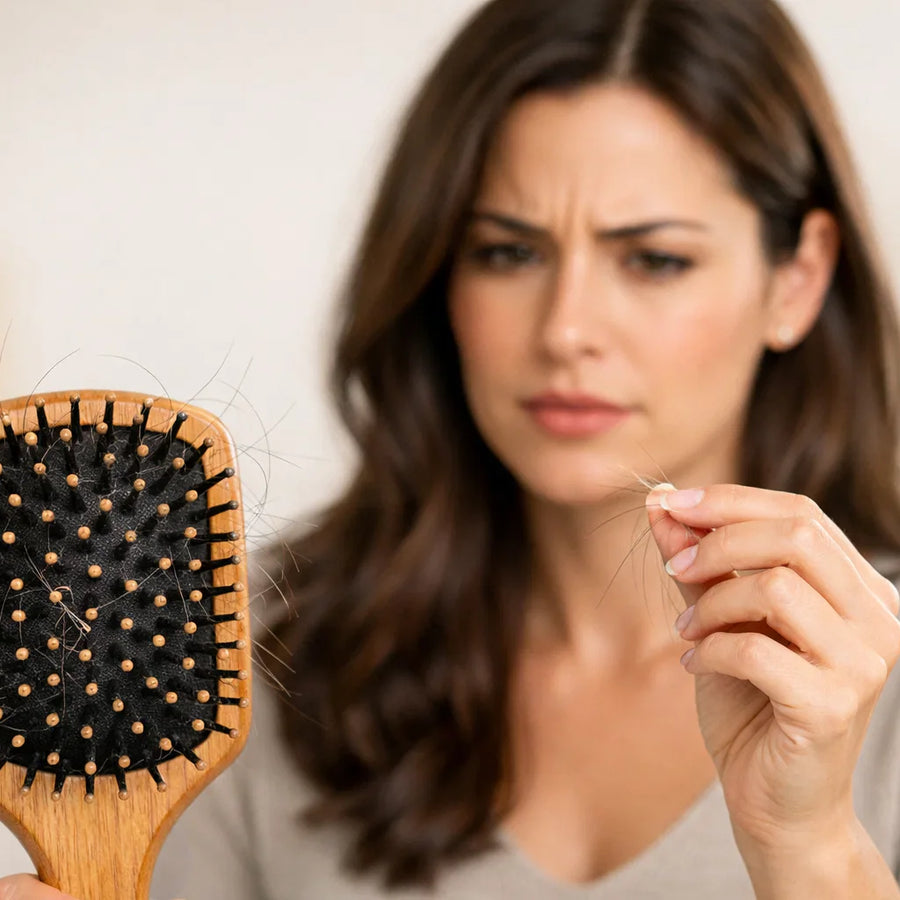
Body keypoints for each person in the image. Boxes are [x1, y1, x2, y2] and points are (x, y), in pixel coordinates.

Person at [6, 0, 900, 897]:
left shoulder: (880, 691)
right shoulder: (261, 660)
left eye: (655, 260)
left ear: (799, 278)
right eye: (509, 253)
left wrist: (813, 848)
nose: (567, 328)